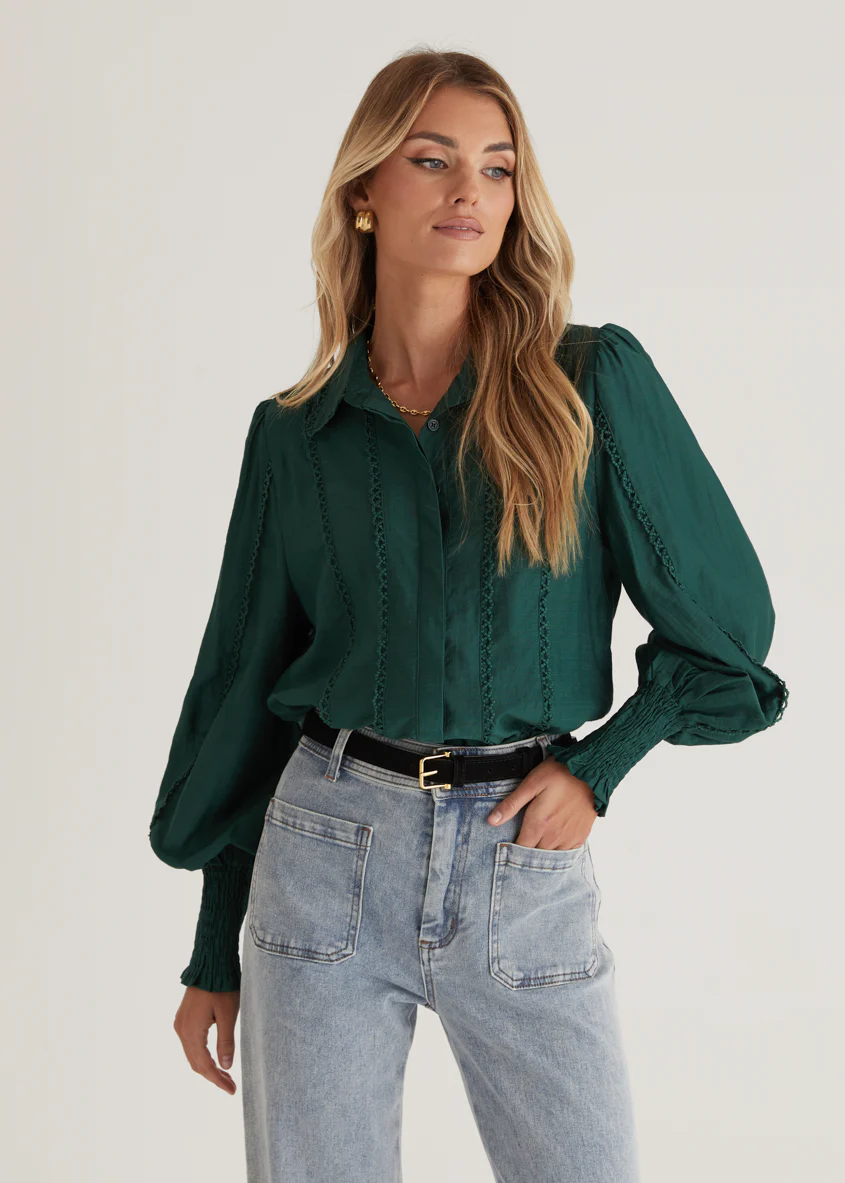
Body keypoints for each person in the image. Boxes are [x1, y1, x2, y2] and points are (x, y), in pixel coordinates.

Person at [148, 48, 788, 1183]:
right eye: (432, 160)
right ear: (365, 189)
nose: (469, 193)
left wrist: (599, 767)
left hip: (519, 857)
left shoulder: (586, 385)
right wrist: (213, 948)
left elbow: (726, 630)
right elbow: (245, 693)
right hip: (323, 854)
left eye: (497, 168)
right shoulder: (294, 434)